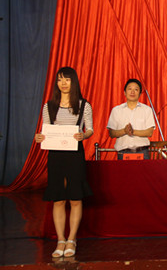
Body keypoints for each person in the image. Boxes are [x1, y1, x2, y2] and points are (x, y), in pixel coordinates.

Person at [34, 67, 93, 258]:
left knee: (75, 198)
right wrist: (40, 137)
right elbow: (45, 130)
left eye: (67, 79)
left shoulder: (84, 105)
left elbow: (90, 129)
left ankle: (71, 239)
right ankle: (60, 240)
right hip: (55, 155)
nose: (63, 83)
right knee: (58, 198)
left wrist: (84, 135)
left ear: (73, 82)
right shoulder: (49, 106)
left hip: (75, 155)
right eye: (60, 80)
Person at [107, 79, 155, 159]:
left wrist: (133, 132)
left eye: (136, 89)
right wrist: (124, 131)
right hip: (123, 152)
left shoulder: (147, 110)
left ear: (140, 94)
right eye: (129, 89)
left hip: (142, 152)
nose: (132, 92)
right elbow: (111, 133)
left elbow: (150, 132)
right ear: (124, 92)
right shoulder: (116, 110)